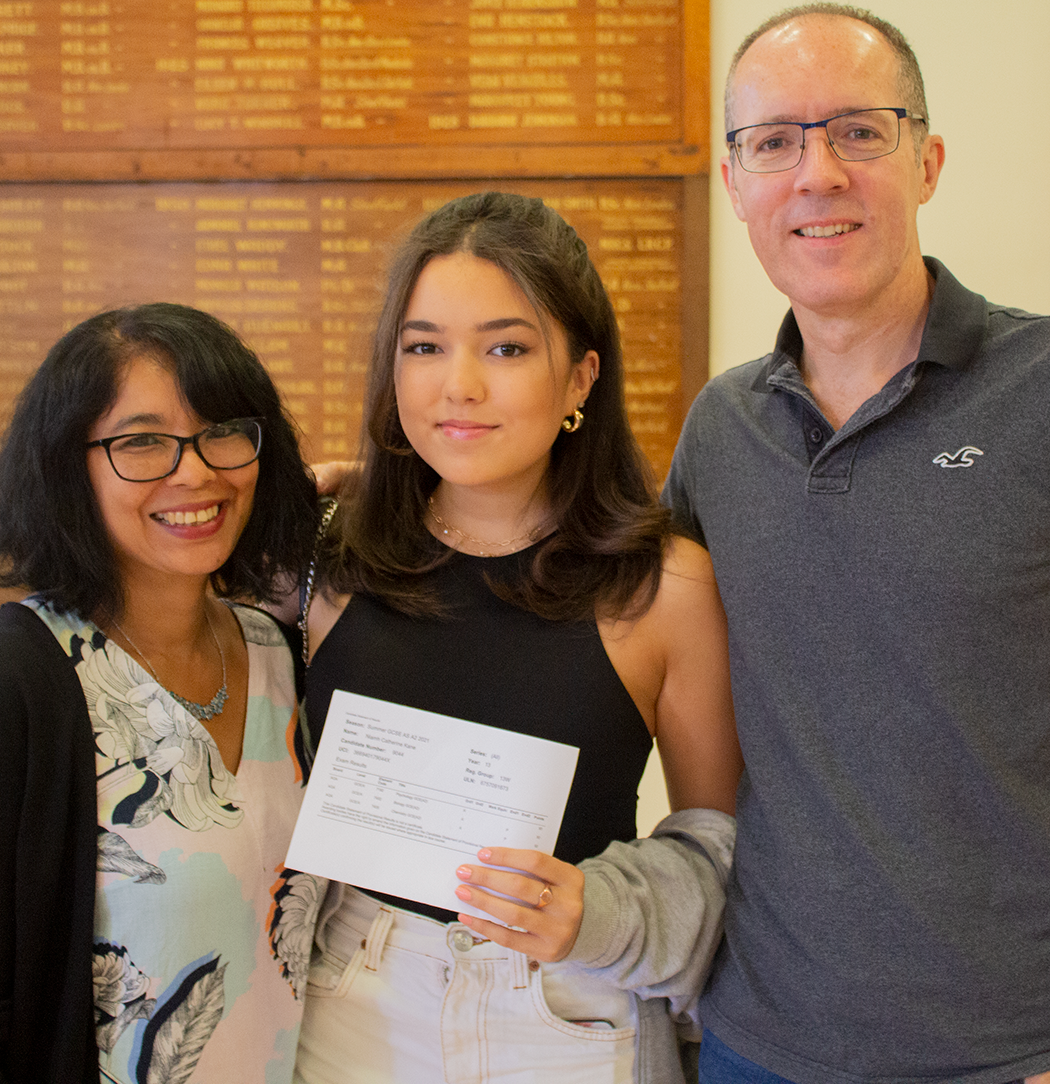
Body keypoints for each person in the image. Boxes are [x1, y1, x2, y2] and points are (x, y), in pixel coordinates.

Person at [664, 4, 1050, 1084]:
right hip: (757, 1044)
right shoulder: (720, 432)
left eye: (857, 130)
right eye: (773, 141)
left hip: (1030, 1052)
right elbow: (584, 590)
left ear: (925, 161)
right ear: (735, 183)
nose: (815, 172)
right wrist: (393, 497)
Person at [294, 191, 744, 1084]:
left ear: (579, 378)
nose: (457, 384)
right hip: (351, 995)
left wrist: (599, 912)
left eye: (505, 347)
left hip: (567, 1008)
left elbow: (724, 850)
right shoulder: (320, 562)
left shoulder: (667, 585)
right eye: (423, 347)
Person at [0, 304, 323, 1083]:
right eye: (141, 442)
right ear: (70, 468)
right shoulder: (0, 691)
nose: (195, 471)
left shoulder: (279, 655)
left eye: (223, 430)